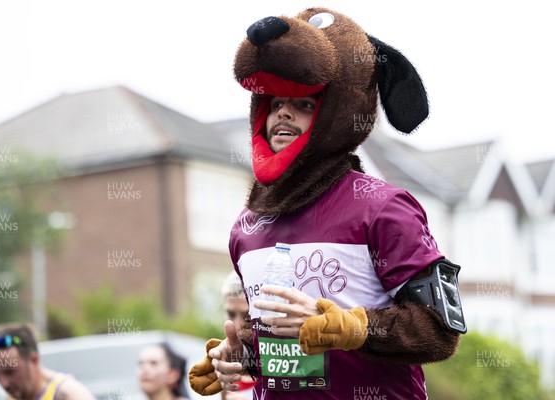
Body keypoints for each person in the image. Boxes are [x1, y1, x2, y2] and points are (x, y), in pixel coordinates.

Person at [189, 7, 466, 400]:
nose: (283, 112)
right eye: (276, 102)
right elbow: (277, 339)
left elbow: (439, 330)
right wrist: (240, 355)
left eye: (305, 103)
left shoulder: (383, 207)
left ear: (336, 112)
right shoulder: (246, 228)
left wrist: (348, 328)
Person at [0, 323, 95, 400]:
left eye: (10, 371)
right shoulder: (14, 396)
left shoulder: (71, 394)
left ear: (33, 359)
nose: (4, 384)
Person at [220, 272, 256, 400]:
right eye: (230, 314)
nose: (237, 326)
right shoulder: (217, 367)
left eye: (248, 316)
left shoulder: (284, 368)